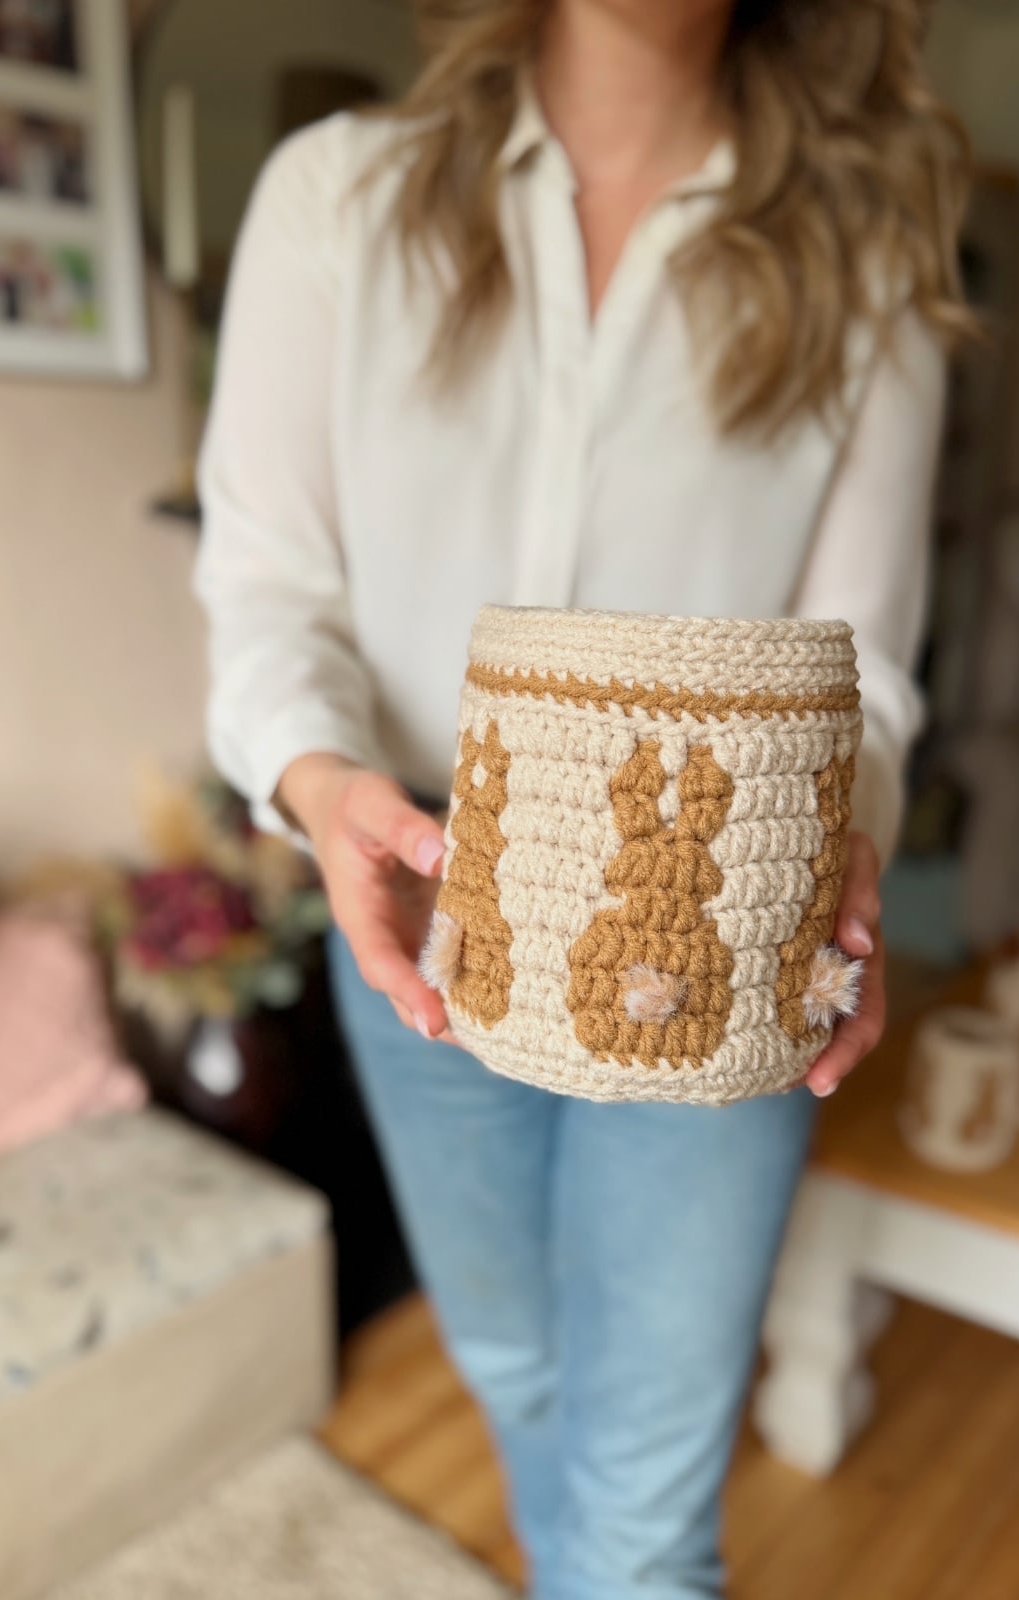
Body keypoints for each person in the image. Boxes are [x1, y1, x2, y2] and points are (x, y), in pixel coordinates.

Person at [195, 3, 970, 1595]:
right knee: (523, 1372)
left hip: (729, 908)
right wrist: (322, 780)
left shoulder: (861, 259)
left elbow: (866, 671)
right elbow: (268, 588)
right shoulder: (339, 199)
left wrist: (848, 836)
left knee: (646, 1489)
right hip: (422, 892)